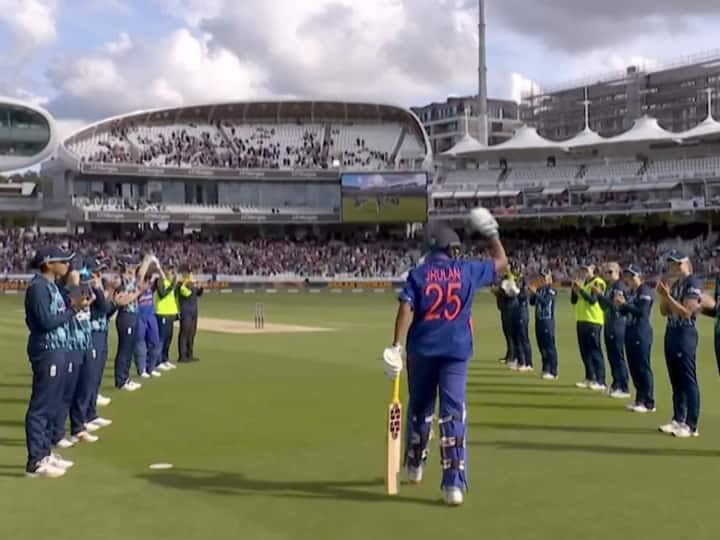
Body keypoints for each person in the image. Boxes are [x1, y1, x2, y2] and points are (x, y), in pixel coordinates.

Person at [382, 210, 508, 506]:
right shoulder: (467, 270)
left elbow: (406, 308)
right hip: (456, 352)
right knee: (453, 413)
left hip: (422, 351)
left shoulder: (419, 274)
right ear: (452, 248)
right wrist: (492, 234)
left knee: (420, 409)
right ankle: (453, 485)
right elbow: (502, 263)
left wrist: (396, 346)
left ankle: (415, 465)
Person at [24, 247, 89, 478]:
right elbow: (45, 321)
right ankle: (35, 461)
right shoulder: (38, 288)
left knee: (52, 403)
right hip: (47, 350)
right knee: (41, 405)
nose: (67, 266)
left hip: (58, 349)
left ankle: (45, 452)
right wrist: (73, 310)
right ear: (48, 263)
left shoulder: (51, 286)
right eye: (63, 261)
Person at [656, 250, 703, 438]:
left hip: (685, 335)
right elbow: (663, 312)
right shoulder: (676, 284)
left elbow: (687, 313)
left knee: (688, 379)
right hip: (672, 333)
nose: (675, 267)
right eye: (672, 264)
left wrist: (668, 297)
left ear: (686, 263)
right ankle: (678, 419)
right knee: (675, 379)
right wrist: (663, 296)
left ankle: (692, 424)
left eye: (678, 263)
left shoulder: (693, 282)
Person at [53, 267, 98, 448]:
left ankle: (78, 427)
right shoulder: (63, 293)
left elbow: (99, 306)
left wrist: (96, 290)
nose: (78, 274)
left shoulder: (83, 290)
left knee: (83, 387)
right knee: (66, 393)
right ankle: (58, 433)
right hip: (71, 346)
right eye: (75, 271)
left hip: (85, 344)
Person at [616, 265, 655, 413]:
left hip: (641, 332)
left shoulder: (645, 291)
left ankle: (649, 402)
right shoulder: (632, 292)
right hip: (631, 330)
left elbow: (642, 313)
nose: (630, 279)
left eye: (633, 276)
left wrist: (625, 305)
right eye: (627, 276)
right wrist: (620, 305)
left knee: (642, 367)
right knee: (633, 367)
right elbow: (626, 311)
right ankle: (640, 399)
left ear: (639, 277)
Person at [114, 257, 152, 391]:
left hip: (133, 315)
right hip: (126, 316)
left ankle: (126, 378)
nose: (135, 268)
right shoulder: (121, 281)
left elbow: (141, 274)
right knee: (124, 350)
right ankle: (121, 380)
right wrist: (138, 293)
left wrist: (147, 261)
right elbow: (122, 300)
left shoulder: (132, 280)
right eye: (133, 266)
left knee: (129, 349)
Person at [596, 262, 630, 399]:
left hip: (618, 324)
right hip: (609, 322)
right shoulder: (610, 287)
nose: (607, 274)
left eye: (610, 272)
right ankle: (616, 383)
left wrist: (601, 296)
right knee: (612, 355)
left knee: (618, 355)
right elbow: (605, 306)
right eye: (606, 272)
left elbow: (616, 306)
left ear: (617, 272)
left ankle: (624, 386)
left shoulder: (619, 286)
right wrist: (599, 296)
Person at [571, 263, 607, 391]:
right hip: (581, 319)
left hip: (593, 320)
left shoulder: (598, 282)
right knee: (584, 351)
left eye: (587, 270)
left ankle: (601, 380)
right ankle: (590, 377)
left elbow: (592, 300)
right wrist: (574, 290)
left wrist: (580, 290)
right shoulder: (584, 283)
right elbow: (574, 301)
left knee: (595, 350)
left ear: (593, 270)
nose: (584, 272)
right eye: (583, 270)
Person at [135, 258, 163, 379]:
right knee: (140, 345)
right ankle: (142, 370)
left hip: (151, 317)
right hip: (140, 317)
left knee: (155, 344)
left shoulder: (151, 286)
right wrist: (146, 262)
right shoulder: (138, 286)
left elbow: (163, 280)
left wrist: (159, 267)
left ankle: (150, 368)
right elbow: (140, 277)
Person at [529, 270, 558, 380]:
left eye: (544, 278)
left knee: (549, 346)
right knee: (542, 346)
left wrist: (535, 293)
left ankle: (553, 371)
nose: (542, 280)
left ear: (549, 279)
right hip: (539, 320)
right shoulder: (540, 289)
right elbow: (532, 303)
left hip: (547, 321)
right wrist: (533, 293)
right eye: (540, 279)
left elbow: (546, 302)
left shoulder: (552, 290)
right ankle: (545, 368)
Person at [155, 264, 179, 371]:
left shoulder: (170, 283)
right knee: (162, 338)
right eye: (170, 272)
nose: (172, 274)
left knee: (168, 338)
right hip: (162, 313)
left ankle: (165, 359)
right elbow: (162, 294)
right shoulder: (160, 281)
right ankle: (157, 361)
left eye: (173, 273)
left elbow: (173, 299)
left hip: (170, 314)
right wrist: (173, 285)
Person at [178, 267, 203, 363]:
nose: (190, 275)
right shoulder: (182, 284)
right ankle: (182, 356)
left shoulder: (191, 284)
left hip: (193, 310)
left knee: (192, 333)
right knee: (184, 333)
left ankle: (190, 354)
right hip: (186, 311)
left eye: (190, 273)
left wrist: (200, 288)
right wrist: (190, 285)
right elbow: (186, 294)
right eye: (188, 273)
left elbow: (198, 294)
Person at [510, 266, 533, 372]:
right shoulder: (518, 283)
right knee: (517, 338)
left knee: (524, 339)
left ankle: (528, 363)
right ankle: (521, 361)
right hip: (516, 313)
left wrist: (517, 291)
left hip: (522, 314)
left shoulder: (525, 286)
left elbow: (524, 297)